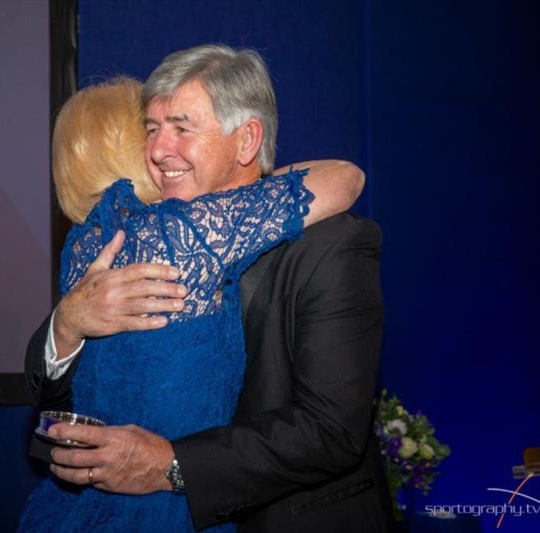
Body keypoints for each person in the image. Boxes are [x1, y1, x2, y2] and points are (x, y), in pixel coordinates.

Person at [25, 45, 393, 532]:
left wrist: (172, 465)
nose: (157, 150)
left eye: (182, 128)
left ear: (245, 143)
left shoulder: (334, 244)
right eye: (151, 130)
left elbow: (329, 431)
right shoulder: (128, 238)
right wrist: (67, 323)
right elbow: (68, 398)